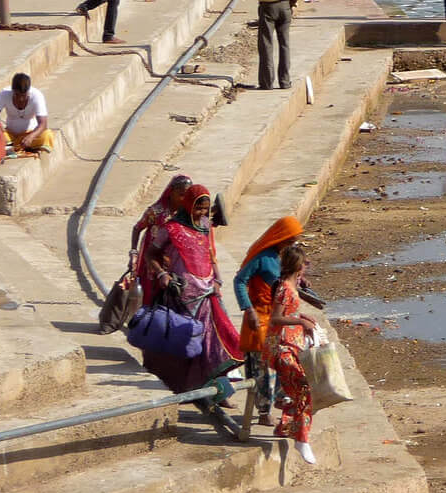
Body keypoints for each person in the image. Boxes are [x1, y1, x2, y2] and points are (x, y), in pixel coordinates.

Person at [136, 183, 243, 393]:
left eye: (204, 209)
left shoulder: (205, 225)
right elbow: (150, 254)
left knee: (212, 343)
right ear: (187, 205)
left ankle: (218, 391)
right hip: (181, 295)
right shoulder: (171, 228)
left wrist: (218, 281)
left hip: (207, 293)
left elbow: (211, 257)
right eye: (198, 208)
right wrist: (161, 274)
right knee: (187, 342)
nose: (201, 213)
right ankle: (190, 387)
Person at [234, 214, 301, 429]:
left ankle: (280, 404)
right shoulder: (262, 258)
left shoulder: (282, 257)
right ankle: (263, 412)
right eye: (289, 240)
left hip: (275, 319)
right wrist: (248, 309)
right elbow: (240, 280)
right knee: (260, 367)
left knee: (280, 363)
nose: (292, 245)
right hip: (259, 319)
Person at [266, 240, 318, 462]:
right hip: (281, 347)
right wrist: (299, 320)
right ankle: (301, 438)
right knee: (303, 390)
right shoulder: (284, 289)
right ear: (298, 267)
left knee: (299, 390)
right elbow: (276, 318)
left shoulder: (291, 286)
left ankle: (286, 427)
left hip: (292, 344)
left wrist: (302, 319)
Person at [0, 72, 54, 154]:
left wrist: (31, 137)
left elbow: (43, 124)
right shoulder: (4, 94)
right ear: (12, 91)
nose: (20, 99)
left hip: (30, 133)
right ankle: (15, 146)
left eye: (23, 95)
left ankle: (15, 147)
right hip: (10, 135)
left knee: (47, 135)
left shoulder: (37, 96)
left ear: (28, 91)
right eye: (17, 95)